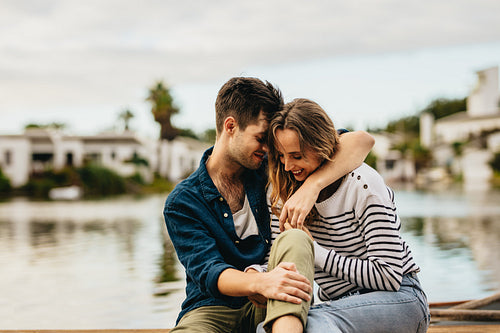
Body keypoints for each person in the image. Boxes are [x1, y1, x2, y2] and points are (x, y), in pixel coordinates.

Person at [163, 77, 375, 332]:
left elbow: (361, 141)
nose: (269, 149)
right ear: (231, 126)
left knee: (295, 239)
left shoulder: (276, 168)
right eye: (261, 138)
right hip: (211, 309)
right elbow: (210, 271)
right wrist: (260, 283)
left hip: (276, 302)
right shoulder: (183, 201)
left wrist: (311, 187)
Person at [262, 98, 430, 332]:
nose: (288, 165)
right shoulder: (282, 192)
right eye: (281, 156)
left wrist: (314, 251)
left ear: (320, 144)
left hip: (400, 299)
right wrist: (257, 276)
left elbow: (389, 275)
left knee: (317, 324)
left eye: (297, 156)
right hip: (340, 305)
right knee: (270, 327)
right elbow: (278, 262)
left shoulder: (362, 185)